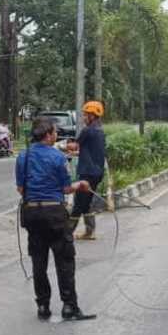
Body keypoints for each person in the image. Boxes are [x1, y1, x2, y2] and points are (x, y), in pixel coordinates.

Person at [16, 117, 95, 322]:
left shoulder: (23, 156)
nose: (57, 135)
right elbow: (66, 188)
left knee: (39, 261)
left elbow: (21, 189)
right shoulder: (58, 157)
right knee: (65, 260)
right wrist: (81, 185)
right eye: (55, 132)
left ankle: (43, 306)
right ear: (48, 135)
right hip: (55, 214)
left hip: (32, 214)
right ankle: (69, 306)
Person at [66, 101, 107, 240]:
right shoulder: (100, 131)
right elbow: (91, 151)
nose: (84, 117)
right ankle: (90, 232)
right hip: (97, 173)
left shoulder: (88, 130)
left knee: (78, 204)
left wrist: (61, 146)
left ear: (92, 116)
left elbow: (74, 146)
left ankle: (67, 233)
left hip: (87, 173)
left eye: (85, 115)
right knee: (86, 202)